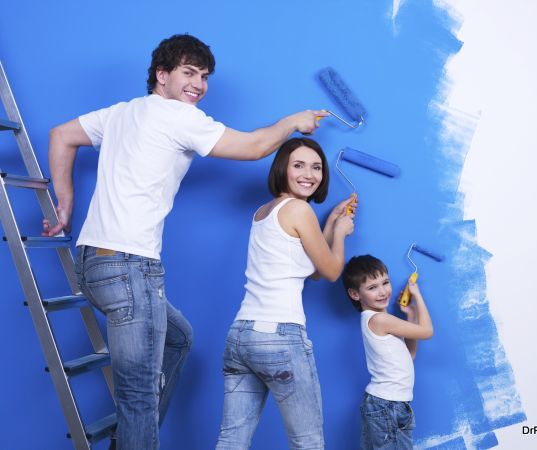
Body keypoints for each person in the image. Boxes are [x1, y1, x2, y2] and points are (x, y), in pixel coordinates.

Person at [43, 34, 328, 450]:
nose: (198, 84)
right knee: (138, 397)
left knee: (179, 338)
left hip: (92, 265)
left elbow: (60, 135)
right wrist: (293, 122)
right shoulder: (179, 117)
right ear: (162, 75)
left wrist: (63, 203)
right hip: (130, 268)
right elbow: (252, 147)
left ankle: (130, 441)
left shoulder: (123, 113)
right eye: (188, 73)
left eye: (204, 76)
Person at [215, 137, 356, 450]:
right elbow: (332, 272)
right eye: (299, 165)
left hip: (241, 335)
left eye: (316, 167)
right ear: (283, 169)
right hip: (279, 336)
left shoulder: (264, 211)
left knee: (231, 440)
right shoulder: (299, 210)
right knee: (308, 442)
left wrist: (332, 223)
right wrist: (343, 235)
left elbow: (314, 270)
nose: (309, 173)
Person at [341, 255, 434, 450]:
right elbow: (427, 331)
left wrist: (410, 314)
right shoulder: (379, 320)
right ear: (355, 294)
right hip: (388, 406)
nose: (383, 291)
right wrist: (417, 295)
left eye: (385, 282)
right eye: (372, 287)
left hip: (386, 404)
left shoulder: (380, 320)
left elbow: (409, 356)